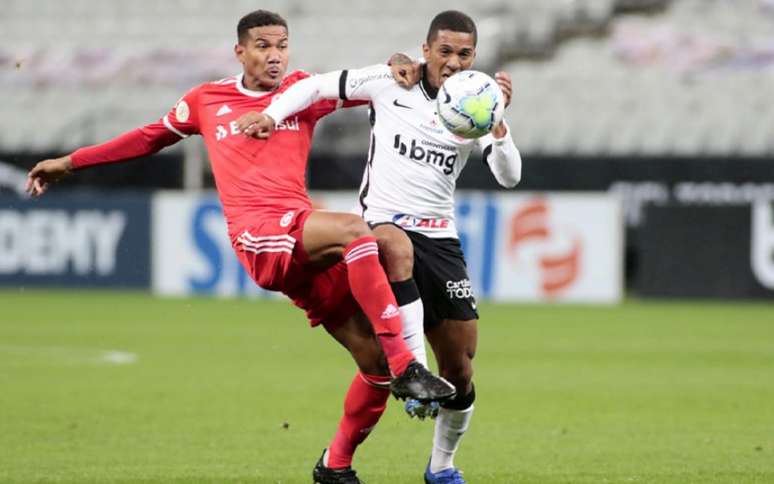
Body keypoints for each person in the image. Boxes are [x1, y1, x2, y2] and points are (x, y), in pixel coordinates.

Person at [25, 10, 456, 484]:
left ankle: (335, 465)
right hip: (260, 237)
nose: (274, 56)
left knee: (373, 365)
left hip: (305, 242)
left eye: (282, 46)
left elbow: (375, 86)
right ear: (241, 51)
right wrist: (70, 162)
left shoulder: (302, 94)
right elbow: (148, 138)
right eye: (263, 46)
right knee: (358, 232)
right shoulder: (208, 100)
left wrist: (400, 63)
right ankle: (408, 365)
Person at [235, 10, 522, 484]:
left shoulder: (477, 101)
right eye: (444, 51)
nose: (453, 62)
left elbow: (509, 177)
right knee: (392, 247)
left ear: (475, 56)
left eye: (464, 53)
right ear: (426, 49)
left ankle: (441, 467)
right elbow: (316, 87)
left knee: (463, 369)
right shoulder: (391, 81)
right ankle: (412, 372)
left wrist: (499, 122)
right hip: (383, 227)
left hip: (441, 238)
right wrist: (270, 114)